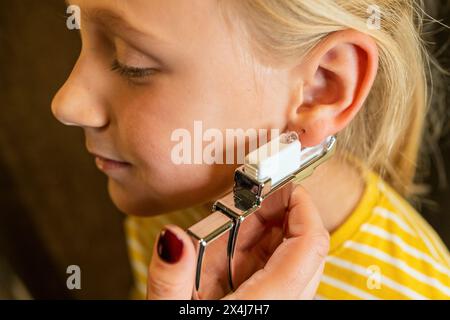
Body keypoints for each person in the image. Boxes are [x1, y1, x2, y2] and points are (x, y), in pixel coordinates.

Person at [52, 0, 450, 299]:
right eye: (79, 35)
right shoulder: (167, 201)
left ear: (322, 88)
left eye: (132, 63)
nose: (65, 103)